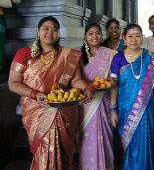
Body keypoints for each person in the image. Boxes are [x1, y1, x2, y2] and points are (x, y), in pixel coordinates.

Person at [8, 16, 94, 170]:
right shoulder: (24, 53)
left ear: (58, 33)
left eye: (54, 29)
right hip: (36, 111)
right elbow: (13, 83)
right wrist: (34, 94)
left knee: (64, 152)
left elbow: (75, 80)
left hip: (64, 110)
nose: (50, 32)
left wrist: (86, 88)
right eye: (46, 28)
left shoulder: (68, 55)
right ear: (38, 31)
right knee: (42, 151)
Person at [110, 23, 154, 170]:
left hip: (146, 107)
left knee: (146, 141)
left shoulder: (152, 58)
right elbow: (113, 85)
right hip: (125, 108)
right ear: (124, 38)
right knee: (129, 143)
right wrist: (113, 110)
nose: (134, 39)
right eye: (130, 36)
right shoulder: (118, 58)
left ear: (142, 38)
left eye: (137, 36)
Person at [78, 23, 115, 170]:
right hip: (84, 103)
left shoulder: (110, 54)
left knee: (105, 138)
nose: (94, 36)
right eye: (90, 33)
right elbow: (72, 79)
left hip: (103, 103)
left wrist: (110, 81)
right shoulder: (77, 54)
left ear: (103, 35)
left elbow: (115, 78)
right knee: (87, 140)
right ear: (85, 36)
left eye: (98, 33)